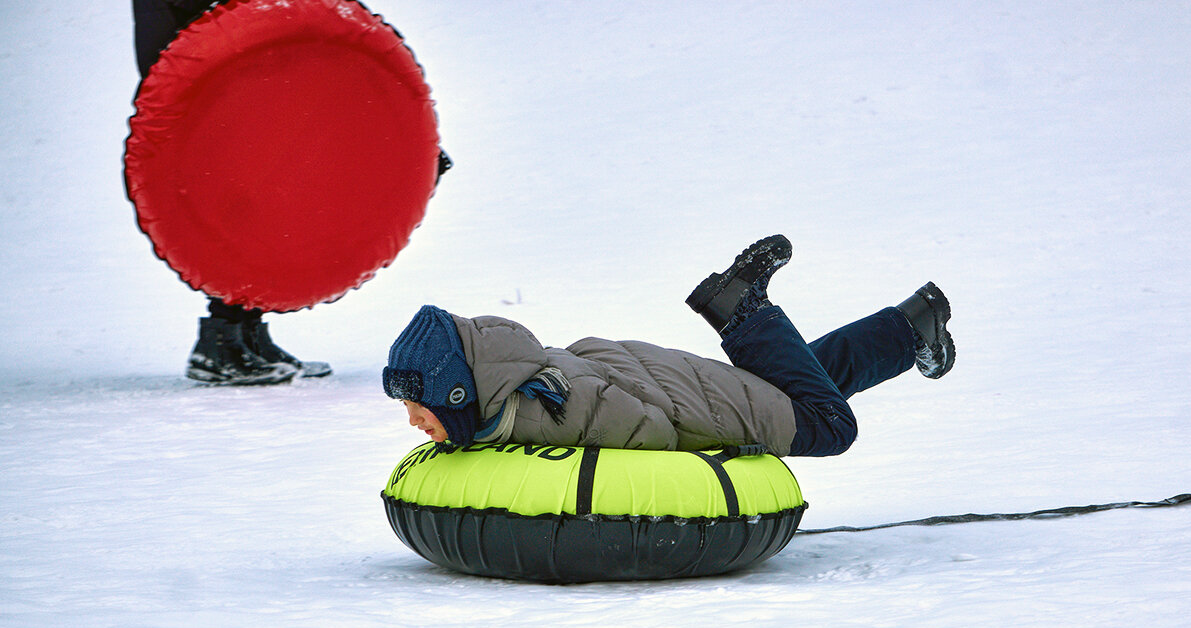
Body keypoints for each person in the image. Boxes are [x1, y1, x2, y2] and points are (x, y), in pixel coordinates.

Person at [381, 235, 955, 458]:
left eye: (417, 405)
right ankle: (913, 327)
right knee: (798, 386)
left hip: (697, 407)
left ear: (455, 389)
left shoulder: (533, 409)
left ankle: (743, 309)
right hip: (680, 381)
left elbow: (647, 431)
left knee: (831, 426)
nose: (412, 421)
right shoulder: (511, 380)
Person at [131, 0, 451, 386]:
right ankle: (224, 340)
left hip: (239, 68)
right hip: (220, 70)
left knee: (259, 197)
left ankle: (239, 334)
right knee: (238, 193)